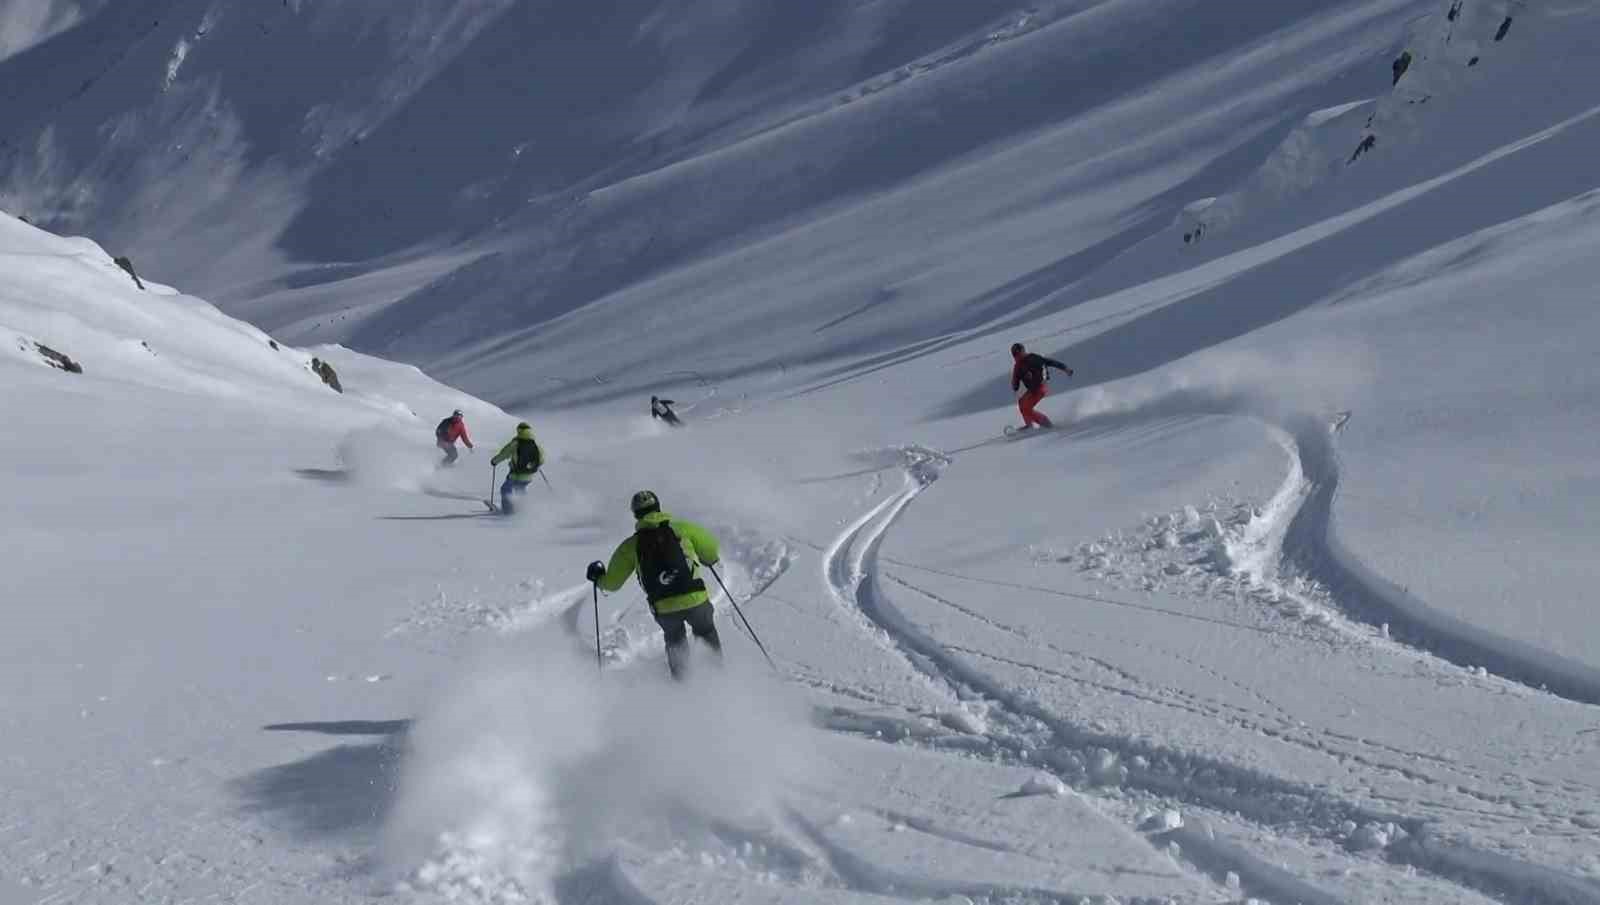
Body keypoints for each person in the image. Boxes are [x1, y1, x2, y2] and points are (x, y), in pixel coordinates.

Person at [586, 491, 722, 679]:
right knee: (705, 631)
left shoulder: (631, 546)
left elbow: (612, 584)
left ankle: (684, 685)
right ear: (659, 506)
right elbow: (711, 550)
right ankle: (717, 677)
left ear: (635, 514)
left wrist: (598, 579)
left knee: (675, 639)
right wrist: (709, 559)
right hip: (696, 598)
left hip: (664, 607)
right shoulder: (683, 528)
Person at [1010, 342, 1073, 430]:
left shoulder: (1032, 358)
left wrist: (1065, 368)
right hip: (1033, 390)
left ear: (1023, 351)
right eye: (1014, 354)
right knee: (1022, 403)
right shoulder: (1018, 366)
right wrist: (1014, 384)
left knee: (1026, 408)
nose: (1016, 356)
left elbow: (1049, 362)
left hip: (1040, 387)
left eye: (1018, 353)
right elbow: (1015, 385)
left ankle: (1046, 424)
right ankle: (1030, 425)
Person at [488, 422, 542, 513]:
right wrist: (535, 464)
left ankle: (508, 510)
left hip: (516, 474)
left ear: (519, 430)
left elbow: (504, 454)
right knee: (520, 489)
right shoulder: (534, 443)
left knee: (505, 489)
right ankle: (523, 508)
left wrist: (494, 461)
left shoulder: (516, 443)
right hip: (529, 475)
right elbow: (542, 458)